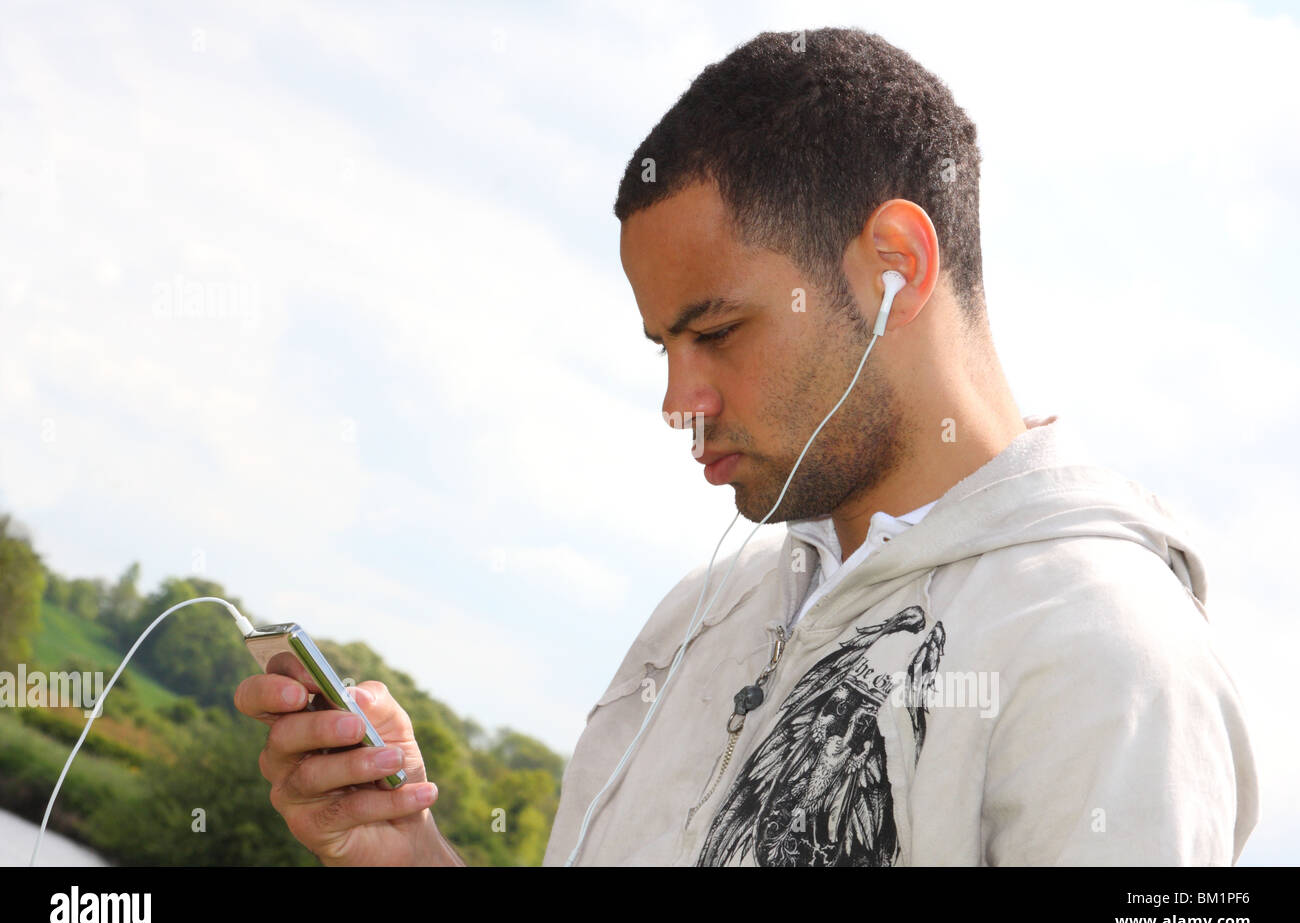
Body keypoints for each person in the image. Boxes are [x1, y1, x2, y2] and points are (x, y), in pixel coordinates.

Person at [234, 27, 1259, 866]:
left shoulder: (1112, 663)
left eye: (716, 331)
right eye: (663, 344)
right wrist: (401, 846)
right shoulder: (700, 614)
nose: (680, 400)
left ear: (894, 264)